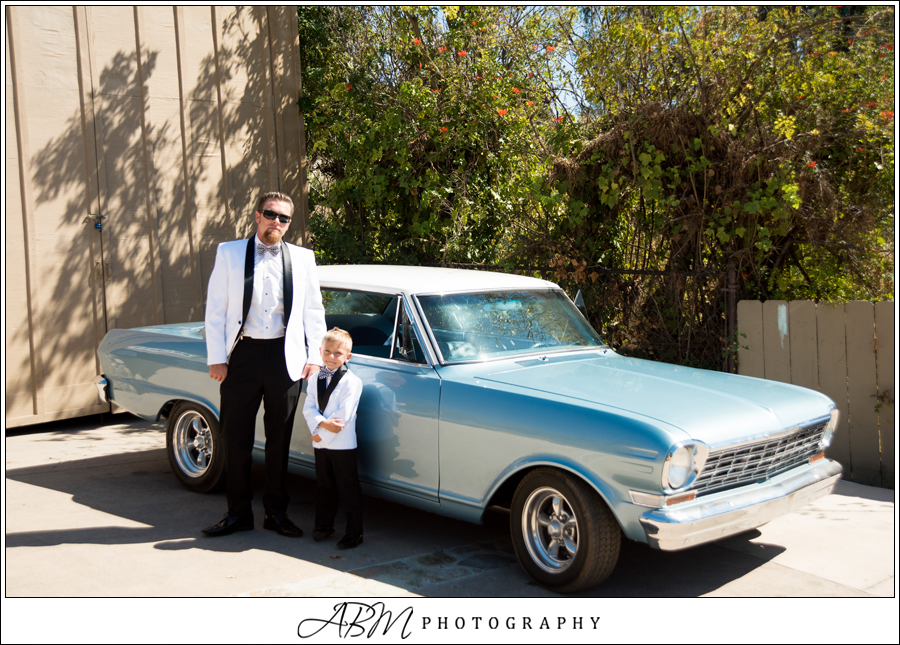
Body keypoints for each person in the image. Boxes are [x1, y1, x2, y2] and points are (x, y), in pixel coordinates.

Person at [201, 191, 326, 537]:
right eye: (271, 214)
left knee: (278, 440)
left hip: (285, 360)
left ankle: (276, 513)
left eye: (284, 218)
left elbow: (313, 311)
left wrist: (315, 356)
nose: (277, 222)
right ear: (257, 215)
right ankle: (238, 513)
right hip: (242, 356)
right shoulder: (229, 253)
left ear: (289, 223)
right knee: (235, 438)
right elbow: (215, 309)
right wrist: (217, 358)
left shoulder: (302, 258)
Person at [302, 328, 365, 549]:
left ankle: (354, 532)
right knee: (324, 486)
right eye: (327, 352)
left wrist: (320, 433)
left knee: (347, 488)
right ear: (320, 352)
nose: (331, 357)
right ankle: (323, 525)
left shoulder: (352, 382)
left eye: (337, 353)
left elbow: (343, 417)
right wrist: (318, 427)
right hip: (320, 442)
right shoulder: (314, 378)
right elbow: (308, 407)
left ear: (348, 356)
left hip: (341, 444)